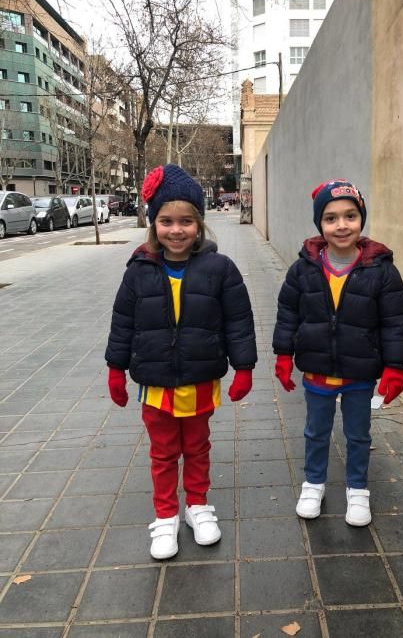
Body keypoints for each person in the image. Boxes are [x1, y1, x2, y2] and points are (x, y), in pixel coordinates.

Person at [105, 164, 257, 560]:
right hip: (155, 382)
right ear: (154, 223)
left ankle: (198, 505)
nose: (176, 230)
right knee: (162, 451)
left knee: (198, 446)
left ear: (199, 224)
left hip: (199, 379)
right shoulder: (138, 271)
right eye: (167, 221)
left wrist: (244, 368)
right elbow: (123, 323)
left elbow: (239, 322)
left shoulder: (219, 269)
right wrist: (115, 370)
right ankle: (165, 515)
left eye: (186, 221)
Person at [272, 179, 403, 526]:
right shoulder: (303, 269)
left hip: (360, 372)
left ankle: (358, 489)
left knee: (358, 434)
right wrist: (283, 355)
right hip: (317, 367)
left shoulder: (381, 271)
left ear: (361, 219)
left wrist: (395, 366)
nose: (341, 225)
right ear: (320, 224)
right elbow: (288, 314)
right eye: (331, 218)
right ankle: (313, 483)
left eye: (350, 216)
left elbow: (395, 321)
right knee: (316, 431)